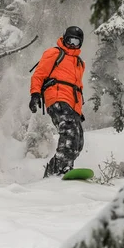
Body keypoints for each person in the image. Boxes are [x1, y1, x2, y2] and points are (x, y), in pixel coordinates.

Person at [29, 26, 85, 177]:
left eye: (76, 42)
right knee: (69, 130)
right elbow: (39, 75)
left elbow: (78, 88)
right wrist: (35, 94)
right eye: (70, 41)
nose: (73, 45)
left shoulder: (79, 63)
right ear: (64, 39)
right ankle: (61, 169)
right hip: (57, 96)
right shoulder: (54, 53)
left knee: (78, 140)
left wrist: (79, 111)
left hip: (72, 104)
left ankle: (55, 168)